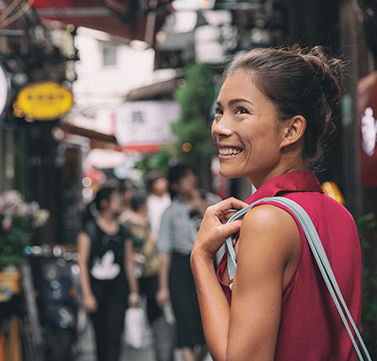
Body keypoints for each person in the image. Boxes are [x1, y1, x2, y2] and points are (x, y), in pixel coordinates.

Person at [190, 46, 362, 360]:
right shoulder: (339, 214)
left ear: (291, 130)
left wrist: (201, 257)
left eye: (240, 110)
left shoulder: (265, 221)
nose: (220, 127)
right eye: (219, 111)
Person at [156, 163, 220, 361]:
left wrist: (200, 204)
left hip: (210, 263)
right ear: (175, 185)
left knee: (208, 323)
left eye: (191, 174)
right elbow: (164, 251)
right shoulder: (171, 213)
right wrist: (163, 287)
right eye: (184, 177)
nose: (190, 180)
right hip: (182, 268)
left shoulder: (212, 201)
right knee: (184, 323)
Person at [77, 185, 139, 361]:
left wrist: (134, 292)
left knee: (114, 334)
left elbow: (129, 262)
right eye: (115, 199)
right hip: (96, 289)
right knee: (100, 336)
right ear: (104, 203)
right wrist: (87, 294)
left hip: (118, 290)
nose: (120, 202)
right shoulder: (89, 229)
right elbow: (82, 262)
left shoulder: (124, 231)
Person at [121, 191, 175, 361]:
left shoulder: (136, 221)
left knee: (151, 312)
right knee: (152, 313)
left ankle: (159, 349)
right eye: (145, 203)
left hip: (147, 271)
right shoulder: (132, 222)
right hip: (143, 271)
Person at [146, 171, 171, 236]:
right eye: (158, 182)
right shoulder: (148, 201)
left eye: (163, 181)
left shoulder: (170, 198)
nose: (162, 184)